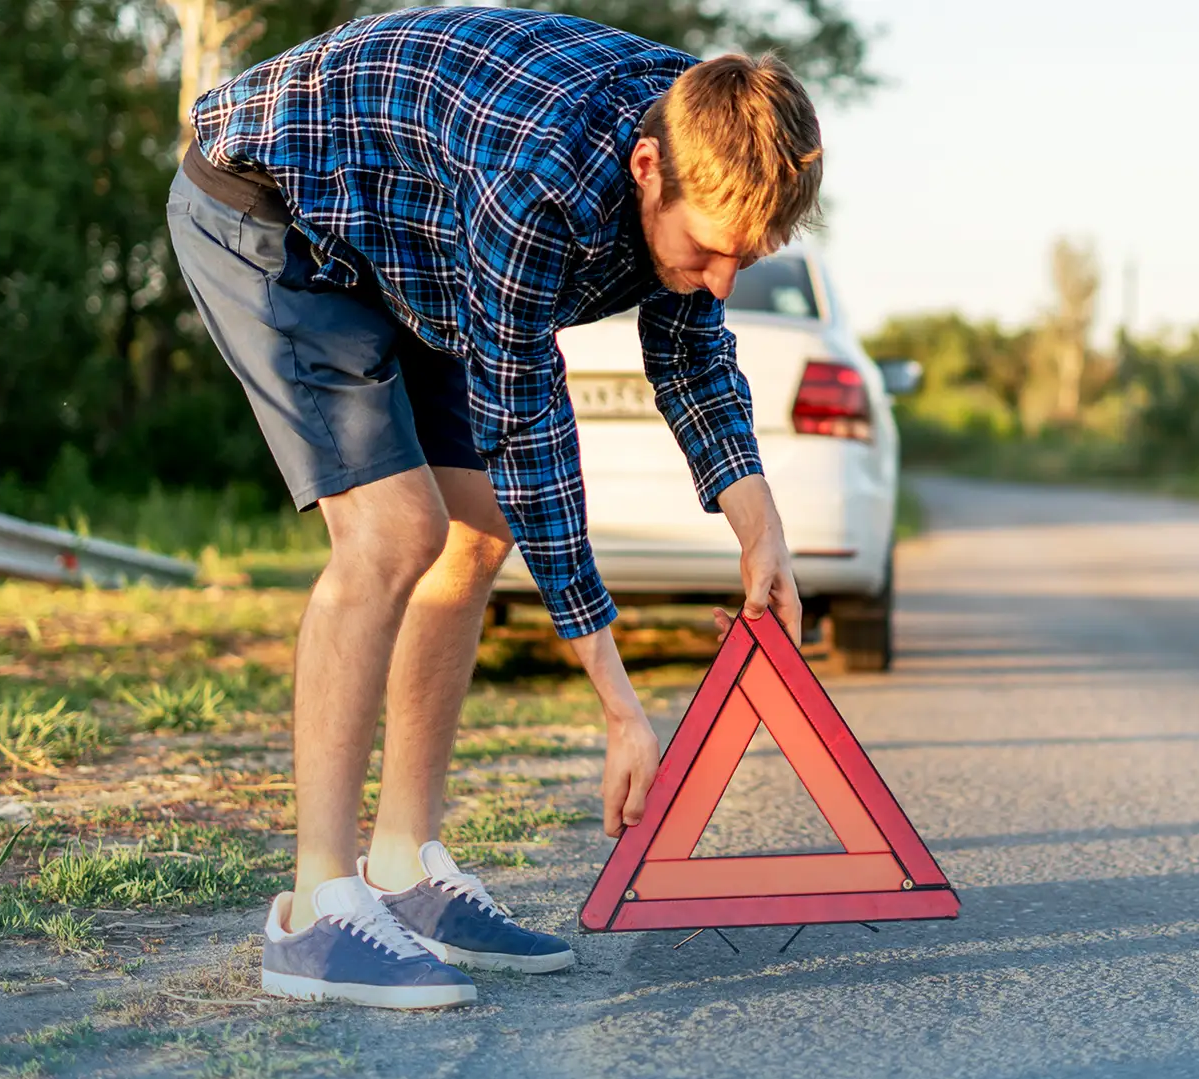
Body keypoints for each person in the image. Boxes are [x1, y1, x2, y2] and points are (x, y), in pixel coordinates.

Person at [165, 6, 818, 1010]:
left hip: (411, 231)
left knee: (475, 530)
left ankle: (404, 867)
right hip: (274, 205)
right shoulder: (541, 182)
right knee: (395, 531)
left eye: (747, 256)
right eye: (711, 251)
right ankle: (311, 911)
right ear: (648, 167)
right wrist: (618, 702)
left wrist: (760, 525)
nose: (721, 279)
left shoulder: (712, 128)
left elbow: (688, 350)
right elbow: (530, 436)